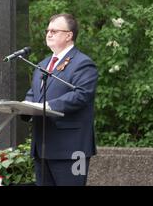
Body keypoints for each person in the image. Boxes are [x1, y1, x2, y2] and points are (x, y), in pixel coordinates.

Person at [24, 13, 98, 186]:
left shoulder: (83, 64)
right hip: (42, 147)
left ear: (68, 35)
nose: (48, 34)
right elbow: (33, 93)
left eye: (54, 31)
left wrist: (48, 106)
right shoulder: (42, 65)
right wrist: (23, 107)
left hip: (71, 150)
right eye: (47, 30)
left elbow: (81, 95)